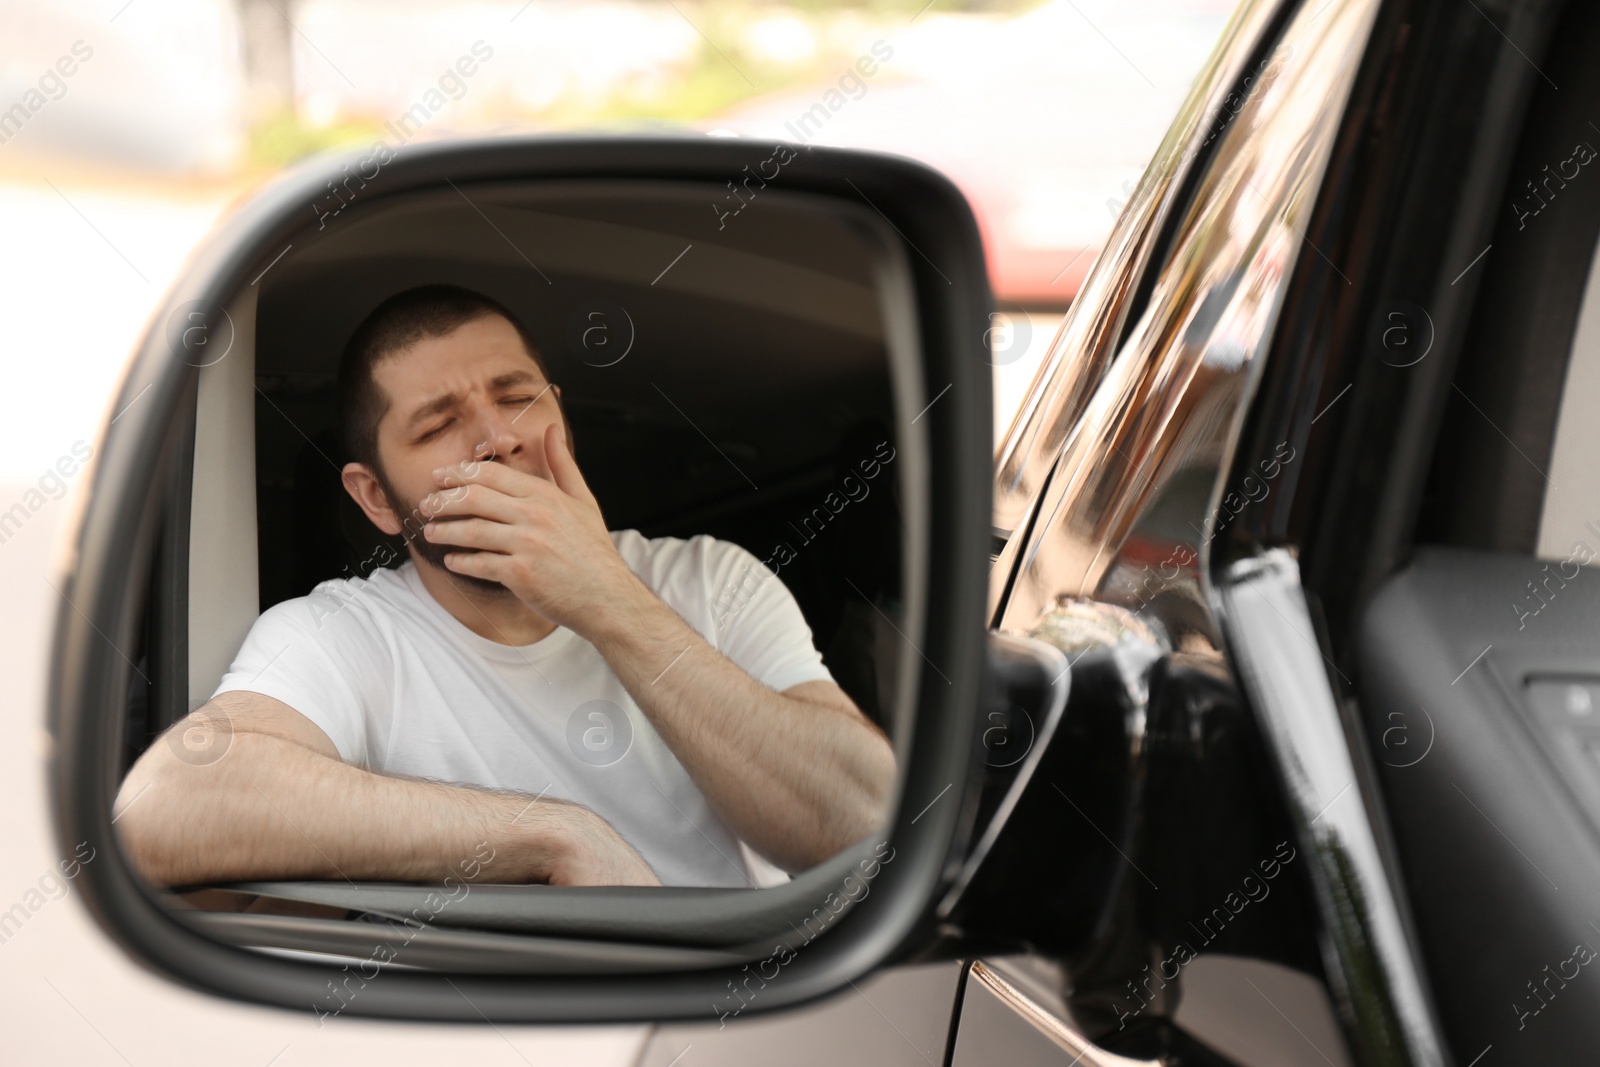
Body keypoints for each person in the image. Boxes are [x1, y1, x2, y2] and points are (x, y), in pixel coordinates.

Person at [114, 285, 896, 889]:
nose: (498, 437)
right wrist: (549, 836)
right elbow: (162, 807)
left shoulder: (710, 578)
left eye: (517, 393)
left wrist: (604, 597)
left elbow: (865, 820)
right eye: (437, 424)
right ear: (378, 498)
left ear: (560, 411)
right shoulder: (343, 635)